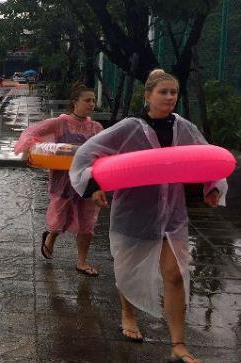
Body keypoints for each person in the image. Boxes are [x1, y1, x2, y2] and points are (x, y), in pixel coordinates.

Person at [70, 69, 227, 363]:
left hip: (172, 215)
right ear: (148, 96)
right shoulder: (130, 128)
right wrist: (94, 186)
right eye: (163, 92)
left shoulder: (184, 127)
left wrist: (213, 187)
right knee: (129, 270)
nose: (169, 98)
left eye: (174, 93)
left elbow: (205, 155)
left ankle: (178, 345)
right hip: (135, 211)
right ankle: (128, 313)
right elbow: (88, 153)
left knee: (175, 274)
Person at [13, 84, 103, 276]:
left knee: (88, 221)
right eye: (87, 100)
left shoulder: (96, 128)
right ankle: (51, 236)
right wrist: (31, 149)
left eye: (93, 100)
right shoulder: (60, 123)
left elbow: (104, 150)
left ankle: (81, 262)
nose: (92, 104)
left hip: (87, 180)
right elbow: (31, 132)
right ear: (75, 103)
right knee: (60, 218)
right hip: (64, 180)